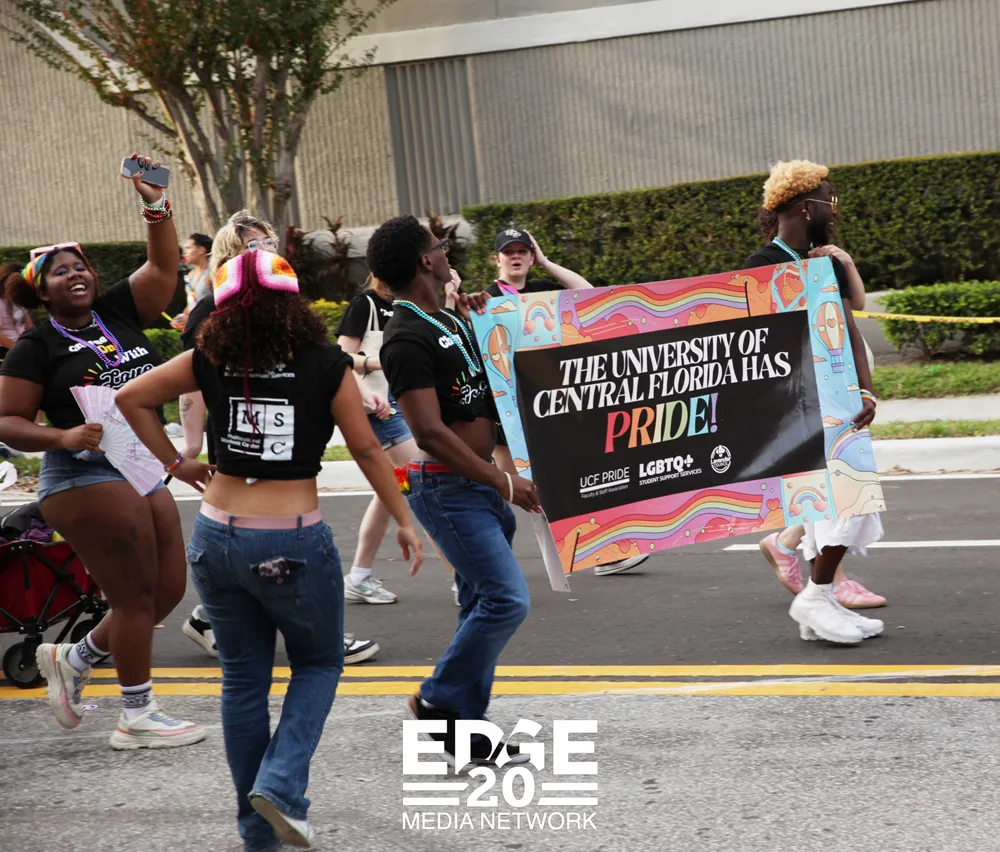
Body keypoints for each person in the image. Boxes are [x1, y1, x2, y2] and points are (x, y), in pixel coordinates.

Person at [116, 248, 423, 850]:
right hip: (290, 538)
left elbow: (130, 399)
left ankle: (258, 837)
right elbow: (367, 449)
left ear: (225, 308)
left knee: (243, 682)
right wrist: (405, 519)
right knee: (319, 664)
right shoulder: (326, 363)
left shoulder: (208, 356)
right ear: (294, 303)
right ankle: (281, 786)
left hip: (215, 534)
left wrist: (177, 463)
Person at [0, 154, 204, 748]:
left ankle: (75, 657)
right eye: (59, 271)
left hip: (141, 466)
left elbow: (163, 266)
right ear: (41, 290)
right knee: (133, 597)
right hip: (83, 474)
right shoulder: (37, 346)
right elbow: (7, 422)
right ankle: (136, 716)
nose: (75, 275)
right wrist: (61, 437)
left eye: (80, 266)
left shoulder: (117, 312)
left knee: (165, 592)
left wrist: (155, 202)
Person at [178, 211, 382, 665]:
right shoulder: (213, 308)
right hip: (239, 437)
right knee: (259, 536)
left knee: (257, 542)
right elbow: (190, 380)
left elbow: (316, 357)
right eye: (253, 244)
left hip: (284, 433)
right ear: (231, 251)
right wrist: (187, 449)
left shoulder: (275, 299)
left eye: (268, 242)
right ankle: (312, 638)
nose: (265, 249)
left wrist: (357, 386)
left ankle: (214, 619)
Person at [370, 215, 538, 767]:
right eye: (439, 247)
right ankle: (436, 699)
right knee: (506, 600)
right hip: (448, 488)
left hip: (478, 484)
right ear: (426, 260)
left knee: (479, 604)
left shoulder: (444, 317)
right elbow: (429, 433)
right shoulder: (405, 337)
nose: (447, 253)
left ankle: (466, 728)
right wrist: (504, 481)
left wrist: (480, 316)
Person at [743, 159, 884, 644]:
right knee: (839, 500)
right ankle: (817, 597)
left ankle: (818, 601)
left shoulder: (826, 262)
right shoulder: (761, 266)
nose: (834, 209)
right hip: (793, 406)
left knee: (854, 500)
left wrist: (864, 388)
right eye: (830, 200)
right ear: (807, 207)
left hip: (840, 397)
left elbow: (849, 326)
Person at [486, 226, 650, 578]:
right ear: (496, 259)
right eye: (508, 252)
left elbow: (588, 293)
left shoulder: (542, 290)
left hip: (547, 404)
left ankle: (596, 553)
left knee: (557, 484)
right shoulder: (486, 298)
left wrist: (546, 263)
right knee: (507, 491)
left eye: (522, 251)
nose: (516, 257)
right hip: (506, 411)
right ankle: (478, 569)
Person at [336, 272, 460, 607]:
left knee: (392, 487)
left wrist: (449, 299)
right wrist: (376, 363)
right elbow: (340, 358)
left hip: (406, 400)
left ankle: (359, 576)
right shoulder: (367, 304)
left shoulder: (412, 305)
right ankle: (463, 578)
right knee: (425, 482)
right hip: (379, 406)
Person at [0, 263, 33, 360]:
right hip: (5, 350)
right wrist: (18, 350)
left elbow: (30, 327)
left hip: (22, 345)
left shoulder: (18, 301)